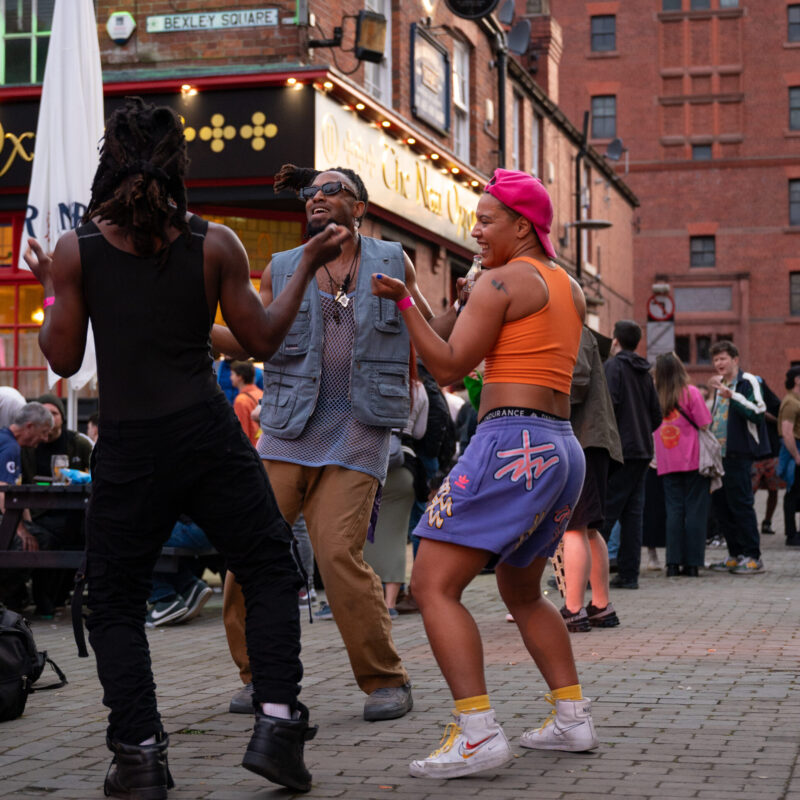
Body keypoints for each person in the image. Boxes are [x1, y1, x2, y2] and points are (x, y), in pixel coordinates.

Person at [23, 97, 350, 797]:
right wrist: (307, 265)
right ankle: (276, 724)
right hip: (204, 433)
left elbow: (62, 356)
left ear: (110, 162)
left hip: (130, 442)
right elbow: (262, 340)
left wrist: (51, 285)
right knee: (266, 565)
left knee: (113, 599)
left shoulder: (77, 250)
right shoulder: (215, 243)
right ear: (179, 167)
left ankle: (139, 754)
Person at [372, 168, 595, 779]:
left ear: (522, 225)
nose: (475, 231)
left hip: (509, 442)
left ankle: (476, 732)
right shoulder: (565, 284)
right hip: (560, 447)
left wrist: (398, 303)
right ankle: (572, 719)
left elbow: (446, 363)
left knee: (433, 583)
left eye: (486, 220)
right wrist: (422, 300)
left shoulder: (502, 280)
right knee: (522, 591)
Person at [215, 163, 454, 722]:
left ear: (359, 206)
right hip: (286, 432)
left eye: (331, 190)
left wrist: (465, 303)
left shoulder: (393, 260)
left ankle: (385, 680)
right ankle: (259, 677)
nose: (316, 198)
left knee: (337, 553)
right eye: (310, 193)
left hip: (360, 430)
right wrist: (194, 327)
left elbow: (429, 330)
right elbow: (254, 341)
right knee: (247, 553)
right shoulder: (281, 268)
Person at [560, 327, 623, 632]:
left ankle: (574, 609)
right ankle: (600, 606)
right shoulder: (579, 329)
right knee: (588, 528)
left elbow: (577, 379)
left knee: (575, 526)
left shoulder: (572, 327)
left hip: (583, 437)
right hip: (591, 438)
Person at [599, 320, 662, 590]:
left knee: (604, 513)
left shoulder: (613, 367)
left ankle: (587, 574)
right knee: (633, 515)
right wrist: (643, 432)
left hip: (621, 450)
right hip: (643, 450)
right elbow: (657, 415)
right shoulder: (644, 372)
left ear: (615, 341)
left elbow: (607, 407)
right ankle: (628, 574)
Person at [363, 363, 429, 617]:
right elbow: (421, 432)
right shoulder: (418, 388)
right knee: (397, 536)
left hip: (369, 463)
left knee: (365, 534)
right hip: (404, 467)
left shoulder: (369, 377)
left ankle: (369, 599)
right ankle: (390, 603)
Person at [20, 393, 92, 618]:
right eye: (44, 412)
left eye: (53, 413)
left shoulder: (77, 443)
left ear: (61, 416)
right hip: (38, 512)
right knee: (47, 538)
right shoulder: (29, 445)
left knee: (79, 535)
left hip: (75, 511)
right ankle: (45, 602)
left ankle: (61, 597)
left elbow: (94, 472)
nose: (49, 418)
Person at [707, 341, 770, 575]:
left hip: (739, 453)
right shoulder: (719, 384)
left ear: (735, 359)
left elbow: (758, 413)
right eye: (715, 360)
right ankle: (735, 554)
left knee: (742, 504)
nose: (718, 364)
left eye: (723, 359)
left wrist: (731, 395)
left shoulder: (748, 381)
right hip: (718, 456)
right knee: (722, 506)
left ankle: (753, 556)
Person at [652, 353, 713, 577]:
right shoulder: (691, 392)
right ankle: (692, 564)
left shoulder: (656, 395)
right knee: (695, 511)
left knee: (674, 511)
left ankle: (672, 563)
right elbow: (705, 423)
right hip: (693, 458)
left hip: (667, 461)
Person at [0, 402, 53, 611]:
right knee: (37, 541)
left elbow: (17, 492)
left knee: (39, 535)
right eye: (43, 432)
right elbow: (3, 491)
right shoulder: (10, 446)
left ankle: (16, 598)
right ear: (29, 426)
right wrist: (21, 530)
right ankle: (8, 596)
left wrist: (28, 525)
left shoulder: (7, 441)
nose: (45, 439)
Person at [145, 516, 214, 627]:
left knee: (134, 532)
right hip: (216, 528)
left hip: (194, 529)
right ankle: (188, 585)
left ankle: (165, 597)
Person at [750, 376, 784, 536]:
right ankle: (748, 523)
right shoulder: (747, 402)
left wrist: (766, 415)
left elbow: (781, 421)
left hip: (772, 452)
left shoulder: (774, 403)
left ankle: (767, 521)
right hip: (753, 454)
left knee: (774, 489)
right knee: (750, 491)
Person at [779, 366, 800, 546]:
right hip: (795, 449)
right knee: (793, 493)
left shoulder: (796, 400)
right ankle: (791, 535)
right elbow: (787, 433)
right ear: (797, 380)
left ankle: (794, 533)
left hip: (796, 449)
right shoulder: (791, 403)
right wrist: (797, 456)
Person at [230, 360, 263, 445]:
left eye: (232, 374)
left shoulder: (241, 401)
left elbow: (241, 433)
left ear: (240, 377)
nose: (230, 378)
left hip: (251, 448)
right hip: (261, 446)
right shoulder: (260, 393)